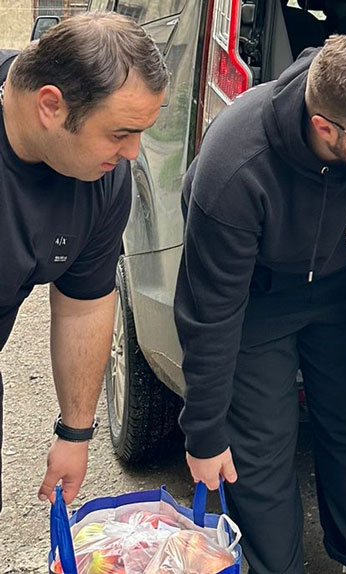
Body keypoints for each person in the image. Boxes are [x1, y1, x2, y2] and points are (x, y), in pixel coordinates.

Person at [174, 35, 346, 574]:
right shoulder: (236, 163)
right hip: (257, 295)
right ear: (325, 129)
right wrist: (203, 433)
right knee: (259, 451)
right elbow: (210, 313)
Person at [0, 12, 167, 512]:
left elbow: (84, 303)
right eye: (120, 133)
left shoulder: (102, 179)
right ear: (50, 106)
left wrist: (75, 433)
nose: (132, 152)